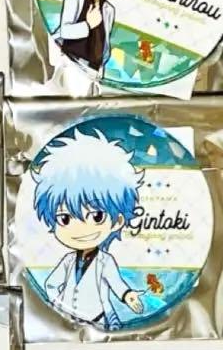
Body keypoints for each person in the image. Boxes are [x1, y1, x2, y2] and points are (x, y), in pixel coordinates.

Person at [33, 127, 145, 329]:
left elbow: (117, 284)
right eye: (65, 219)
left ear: (118, 221)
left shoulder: (105, 262)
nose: (80, 229)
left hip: (97, 319)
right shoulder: (68, 261)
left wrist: (128, 295)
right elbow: (51, 283)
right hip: (66, 319)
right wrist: (56, 303)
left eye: (96, 216)